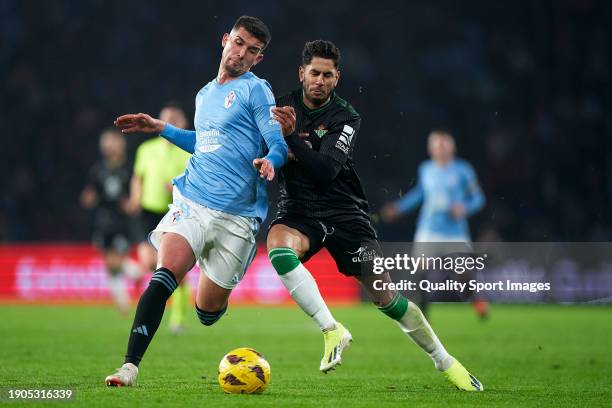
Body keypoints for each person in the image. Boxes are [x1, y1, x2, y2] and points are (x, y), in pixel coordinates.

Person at [267, 40, 483, 391]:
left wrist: (292, 140)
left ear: (337, 78)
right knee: (278, 246)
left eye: (327, 75)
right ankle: (331, 329)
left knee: (385, 296)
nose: (320, 81)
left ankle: (446, 362)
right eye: (314, 73)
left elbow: (325, 170)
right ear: (301, 73)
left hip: (346, 214)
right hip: (298, 208)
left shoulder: (345, 116)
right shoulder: (280, 106)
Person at [105, 15, 287, 387]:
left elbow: (278, 142)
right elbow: (203, 143)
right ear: (225, 40)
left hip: (236, 216)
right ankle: (129, 366)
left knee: (206, 310)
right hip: (194, 200)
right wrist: (162, 129)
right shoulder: (205, 95)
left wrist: (272, 159)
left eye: (252, 50)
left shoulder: (257, 91)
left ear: (259, 58)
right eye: (238, 43)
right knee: (163, 275)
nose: (242, 54)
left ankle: (212, 298)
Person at [381, 130, 488, 318]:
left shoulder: (463, 170)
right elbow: (420, 194)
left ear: (452, 147)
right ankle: (423, 315)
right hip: (428, 229)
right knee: (419, 271)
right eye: (436, 144)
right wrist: (398, 208)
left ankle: (475, 298)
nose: (440, 147)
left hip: (455, 232)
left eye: (444, 143)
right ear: (430, 149)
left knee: (465, 276)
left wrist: (465, 208)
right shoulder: (426, 169)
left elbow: (479, 198)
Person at [126, 102, 192, 334]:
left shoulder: (188, 150)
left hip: (174, 212)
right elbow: (137, 177)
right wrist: (135, 197)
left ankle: (177, 319)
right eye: (167, 118)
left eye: (176, 119)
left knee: (175, 270)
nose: (171, 122)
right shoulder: (146, 149)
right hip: (147, 212)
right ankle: (131, 271)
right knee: (149, 262)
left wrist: (176, 187)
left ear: (183, 124)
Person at [80, 128, 141, 315]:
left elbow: (137, 190)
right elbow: (91, 194)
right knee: (109, 263)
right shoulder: (98, 170)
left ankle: (136, 272)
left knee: (115, 261)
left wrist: (133, 203)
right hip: (103, 221)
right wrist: (88, 198)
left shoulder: (130, 168)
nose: (107, 145)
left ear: (120, 144)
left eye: (111, 141)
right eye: (105, 142)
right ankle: (122, 302)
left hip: (122, 223)